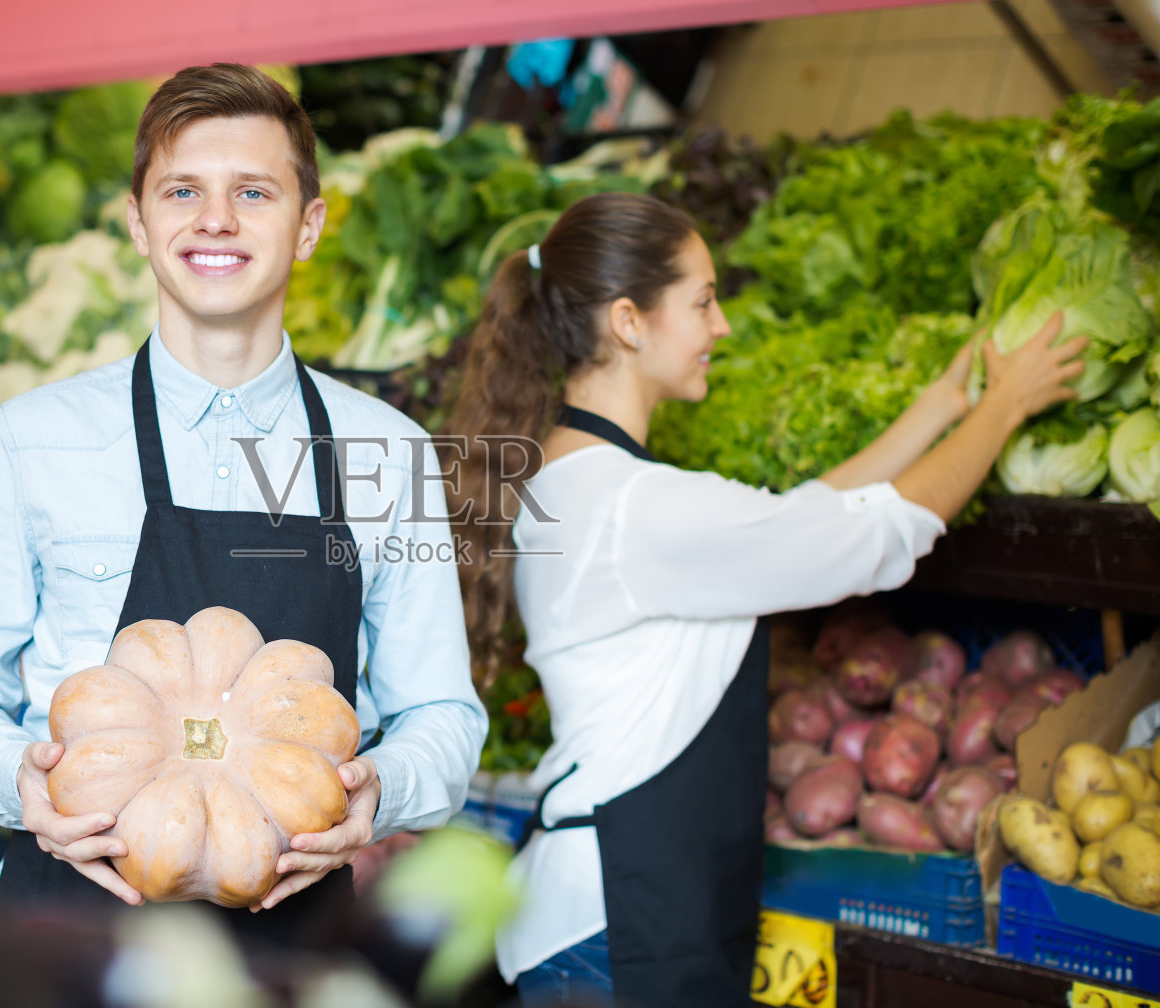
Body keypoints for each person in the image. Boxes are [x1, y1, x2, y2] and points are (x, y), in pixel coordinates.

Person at [446, 192, 1085, 1007]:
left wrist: (942, 406)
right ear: (629, 322)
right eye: (704, 302)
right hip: (622, 923)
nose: (723, 327)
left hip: (606, 907)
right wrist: (1007, 405)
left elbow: (797, 520)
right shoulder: (636, 507)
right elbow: (871, 539)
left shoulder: (575, 478)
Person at [0, 64, 487, 941]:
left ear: (309, 227)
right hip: (65, 938)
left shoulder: (388, 452)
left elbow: (442, 713)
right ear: (140, 224)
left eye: (254, 191)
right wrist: (17, 781)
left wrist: (382, 790)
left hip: (290, 944)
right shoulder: (33, 437)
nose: (216, 218)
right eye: (183, 190)